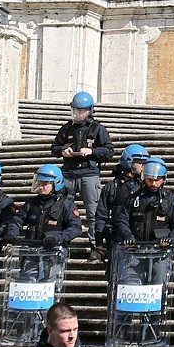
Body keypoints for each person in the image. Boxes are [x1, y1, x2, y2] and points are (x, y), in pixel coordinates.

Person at [51, 91, 114, 251]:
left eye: (82, 111)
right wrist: (62, 151)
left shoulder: (98, 129)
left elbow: (109, 151)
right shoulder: (66, 128)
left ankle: (95, 246)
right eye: (76, 110)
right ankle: (60, 243)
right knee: (61, 209)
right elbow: (54, 148)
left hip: (89, 174)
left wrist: (92, 151)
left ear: (89, 111)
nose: (78, 114)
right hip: (68, 173)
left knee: (93, 212)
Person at [0, 164, 81, 252]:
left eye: (45, 184)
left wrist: (57, 238)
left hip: (54, 252)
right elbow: (17, 220)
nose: (40, 187)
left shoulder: (66, 204)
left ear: (56, 183)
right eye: (39, 184)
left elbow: (75, 228)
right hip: (31, 251)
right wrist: (11, 233)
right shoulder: (32, 203)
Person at [91, 143, 146, 262]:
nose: (143, 166)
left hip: (141, 239)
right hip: (118, 239)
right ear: (129, 162)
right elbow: (101, 216)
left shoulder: (145, 187)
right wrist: (99, 244)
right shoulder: (112, 187)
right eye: (140, 163)